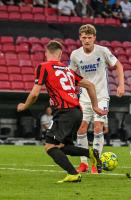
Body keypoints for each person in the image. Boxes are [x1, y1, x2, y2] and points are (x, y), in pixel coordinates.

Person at [16, 40, 106, 183]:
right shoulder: (68, 70)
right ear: (60, 54)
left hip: (65, 112)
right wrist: (95, 106)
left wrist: (24, 106)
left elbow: (34, 94)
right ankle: (91, 153)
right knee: (63, 147)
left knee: (49, 147)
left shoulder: (43, 67)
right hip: (77, 112)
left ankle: (73, 174)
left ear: (46, 53)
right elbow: (89, 85)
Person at [69, 24, 125, 174]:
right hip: (84, 97)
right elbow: (70, 76)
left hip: (101, 96)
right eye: (84, 37)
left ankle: (97, 162)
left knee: (98, 126)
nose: (86, 40)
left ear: (94, 38)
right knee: (81, 129)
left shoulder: (103, 51)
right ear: (80, 38)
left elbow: (118, 65)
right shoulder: (75, 55)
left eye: (89, 37)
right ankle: (84, 163)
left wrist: (121, 85)